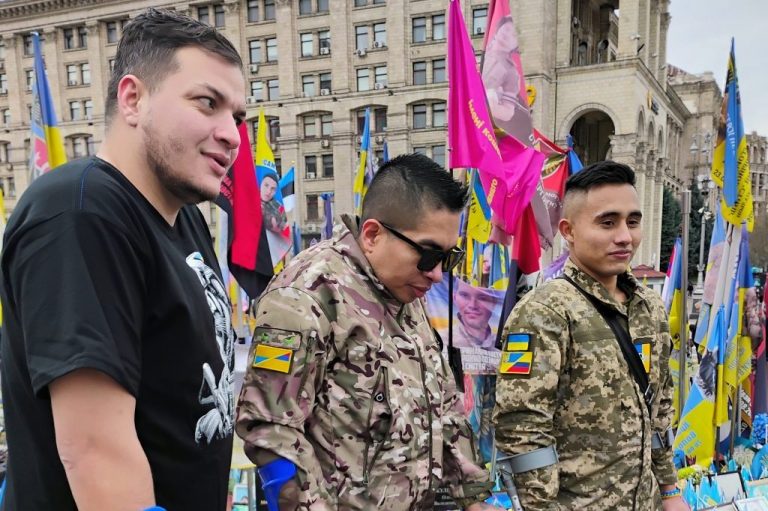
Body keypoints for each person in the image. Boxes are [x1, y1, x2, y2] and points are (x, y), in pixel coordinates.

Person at [0, 9, 246, 511]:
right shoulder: (80, 213)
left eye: (237, 116)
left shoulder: (185, 219)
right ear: (133, 98)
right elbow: (95, 453)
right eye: (207, 104)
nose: (232, 134)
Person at [236, 154, 500, 510]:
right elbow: (270, 431)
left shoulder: (404, 289)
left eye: (448, 259)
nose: (437, 274)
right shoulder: (305, 296)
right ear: (373, 234)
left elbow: (445, 409)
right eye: (428, 256)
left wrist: (473, 499)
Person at [492, 161, 689, 510]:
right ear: (568, 230)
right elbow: (522, 431)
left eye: (633, 221)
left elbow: (659, 412)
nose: (625, 236)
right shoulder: (543, 313)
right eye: (607, 222)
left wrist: (671, 491)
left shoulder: (650, 308)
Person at [481, 16, 533, 145]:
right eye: (507, 28)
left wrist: (492, 106)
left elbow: (508, 113)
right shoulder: (483, 55)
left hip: (487, 129)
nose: (507, 34)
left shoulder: (511, 72)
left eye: (513, 35)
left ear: (516, 44)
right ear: (499, 28)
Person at [454, 280, 498, 349]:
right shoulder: (443, 342)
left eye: (482, 298)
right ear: (454, 298)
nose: (472, 305)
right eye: (465, 296)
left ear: (494, 302)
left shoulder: (503, 344)